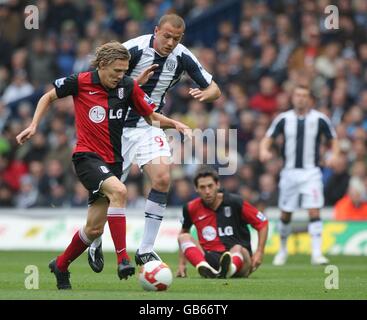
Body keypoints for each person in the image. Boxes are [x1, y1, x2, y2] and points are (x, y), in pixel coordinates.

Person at [16, 41, 190, 290]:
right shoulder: (80, 81)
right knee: (120, 191)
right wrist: (33, 125)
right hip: (86, 157)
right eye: (117, 71)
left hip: (113, 162)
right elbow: (48, 96)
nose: (121, 76)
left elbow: (151, 117)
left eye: (124, 71)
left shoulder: (127, 86)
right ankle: (123, 259)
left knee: (94, 228)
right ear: (102, 65)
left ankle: (61, 265)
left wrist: (177, 124)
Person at [88, 13, 221, 271]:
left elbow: (216, 89)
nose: (171, 42)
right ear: (156, 30)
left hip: (149, 124)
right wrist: (134, 84)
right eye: (167, 36)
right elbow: (100, 83)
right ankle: (94, 239)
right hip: (115, 128)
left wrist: (206, 93)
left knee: (162, 178)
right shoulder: (133, 49)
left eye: (177, 38)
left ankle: (146, 249)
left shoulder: (182, 56)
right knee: (107, 195)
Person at [259, 84, 340, 266]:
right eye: (297, 95)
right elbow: (268, 137)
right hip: (289, 173)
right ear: (293, 98)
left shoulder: (320, 119)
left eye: (304, 95)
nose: (301, 98)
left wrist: (334, 154)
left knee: (314, 209)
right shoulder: (283, 119)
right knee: (286, 213)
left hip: (311, 172)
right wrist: (264, 150)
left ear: (309, 99)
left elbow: (333, 139)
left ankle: (317, 253)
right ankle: (282, 250)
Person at [176, 167, 268, 279]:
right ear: (196, 189)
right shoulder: (191, 208)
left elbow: (262, 223)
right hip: (211, 258)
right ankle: (206, 268)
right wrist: (181, 264)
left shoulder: (235, 202)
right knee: (183, 237)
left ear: (217, 185)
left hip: (241, 261)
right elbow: (184, 231)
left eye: (210, 186)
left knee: (238, 248)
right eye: (202, 187)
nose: (207, 191)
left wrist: (259, 252)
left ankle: (229, 269)